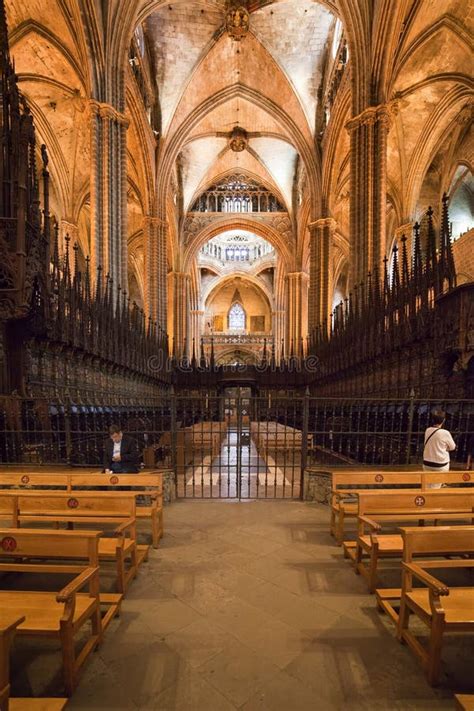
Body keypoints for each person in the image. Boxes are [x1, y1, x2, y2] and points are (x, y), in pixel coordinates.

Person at [422, 410, 456, 488]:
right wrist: (445, 448)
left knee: (427, 485)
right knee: (435, 487)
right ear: (443, 420)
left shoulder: (427, 430)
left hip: (427, 463)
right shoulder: (445, 433)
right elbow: (452, 447)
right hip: (440, 465)